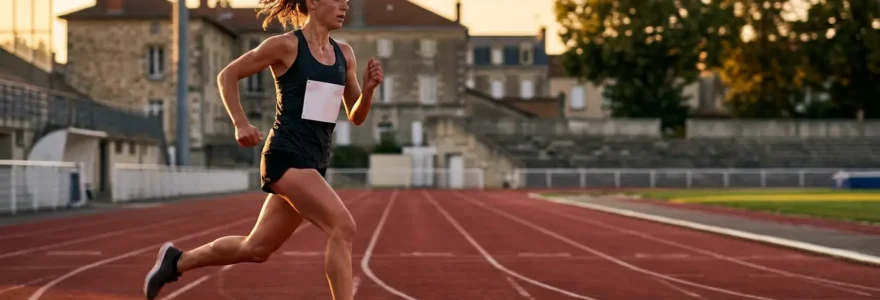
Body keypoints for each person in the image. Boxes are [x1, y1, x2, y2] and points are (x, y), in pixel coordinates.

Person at [142, 0, 383, 299]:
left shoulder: (344, 55)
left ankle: (177, 261)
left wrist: (368, 91)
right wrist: (240, 123)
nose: (345, 4)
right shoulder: (285, 46)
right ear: (312, 2)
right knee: (342, 226)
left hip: (314, 161)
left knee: (256, 248)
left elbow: (356, 116)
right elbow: (227, 75)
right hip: (286, 156)